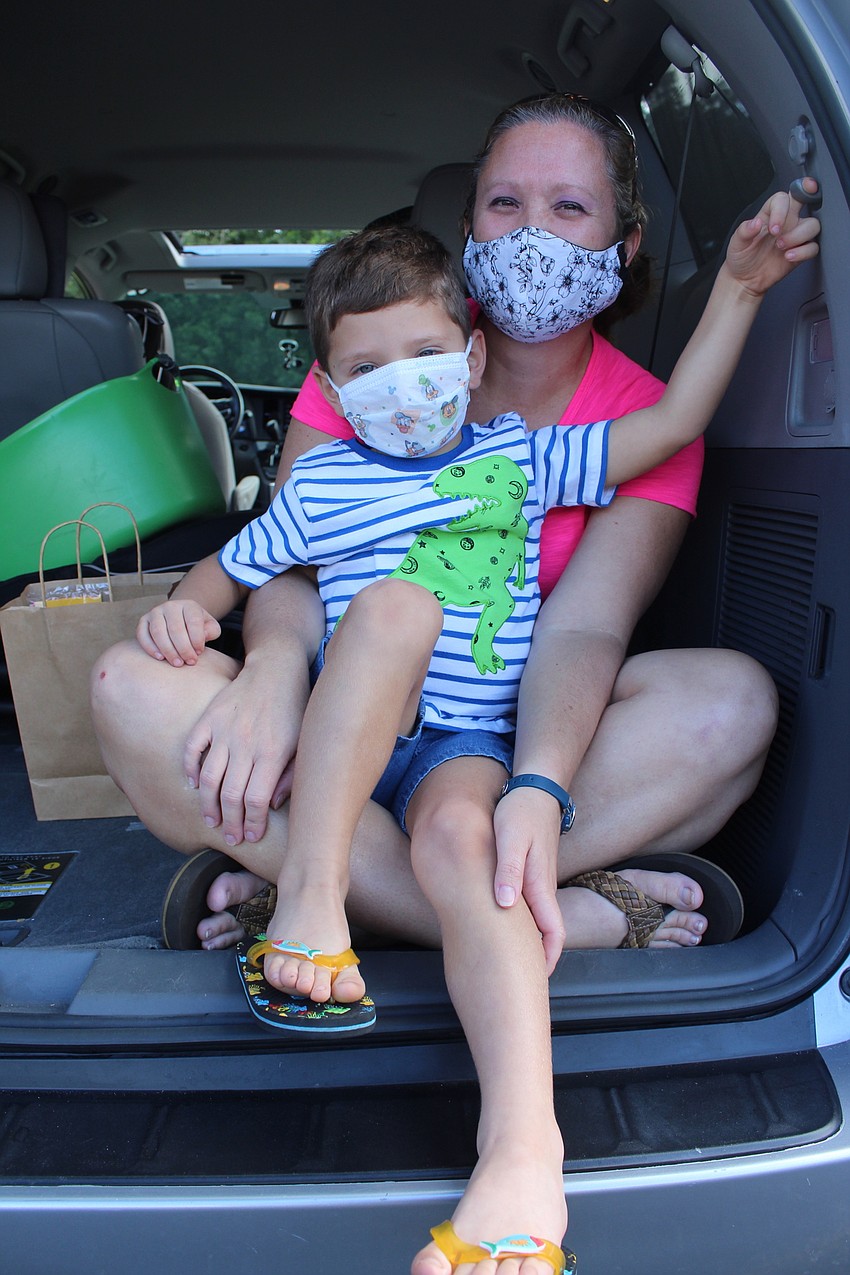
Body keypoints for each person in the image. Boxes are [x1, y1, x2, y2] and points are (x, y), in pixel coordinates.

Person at [133, 201, 814, 1275]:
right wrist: (181, 613)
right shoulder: (324, 485)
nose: (401, 385)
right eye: (367, 368)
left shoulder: (517, 459)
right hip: (345, 739)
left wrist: (737, 289)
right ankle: (315, 899)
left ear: (473, 355)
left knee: (471, 848)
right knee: (392, 611)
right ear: (329, 389)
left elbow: (673, 422)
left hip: (465, 743)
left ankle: (523, 1159)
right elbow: (229, 572)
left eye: (424, 354)